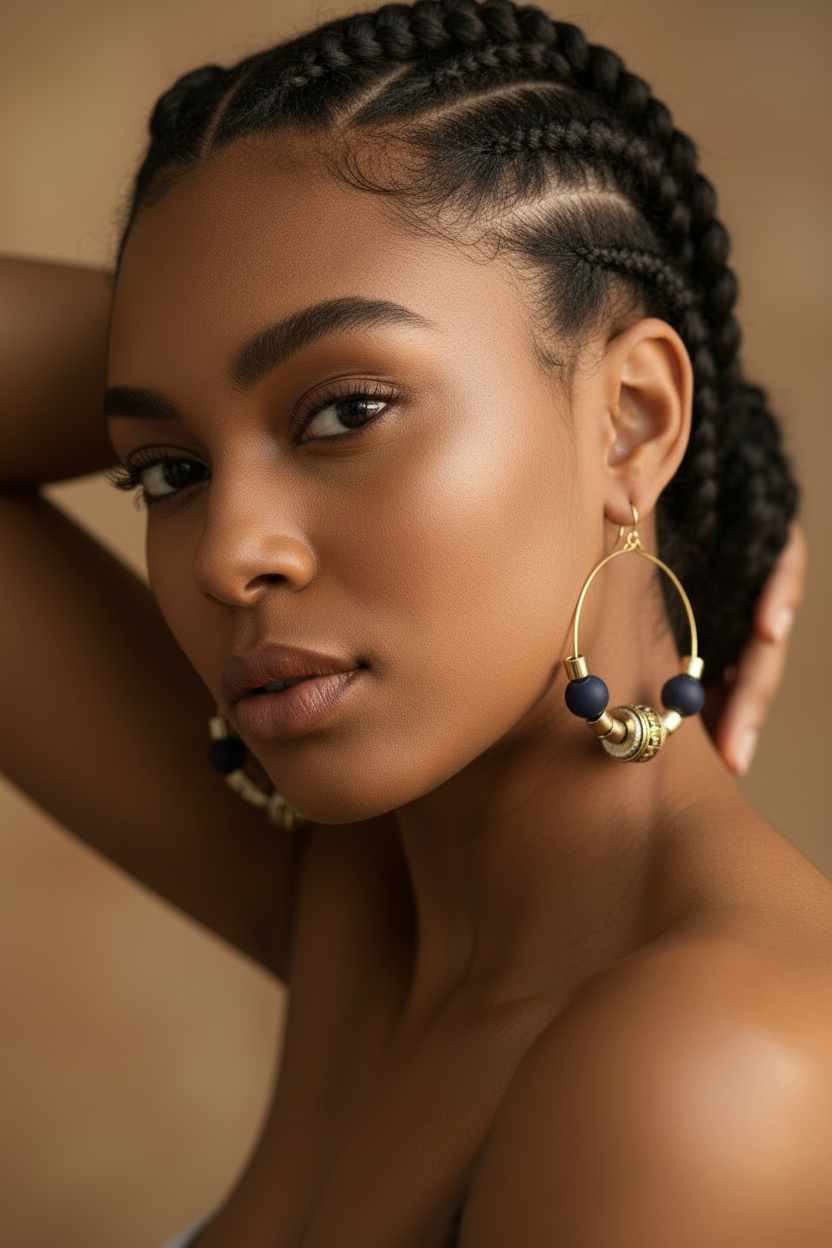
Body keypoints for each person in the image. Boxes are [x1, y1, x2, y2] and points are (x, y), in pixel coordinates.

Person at [0, 1, 826, 1244]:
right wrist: (211, 338)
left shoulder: (709, 1069)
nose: (226, 555)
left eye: (346, 413)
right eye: (168, 470)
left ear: (634, 419)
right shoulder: (373, 901)